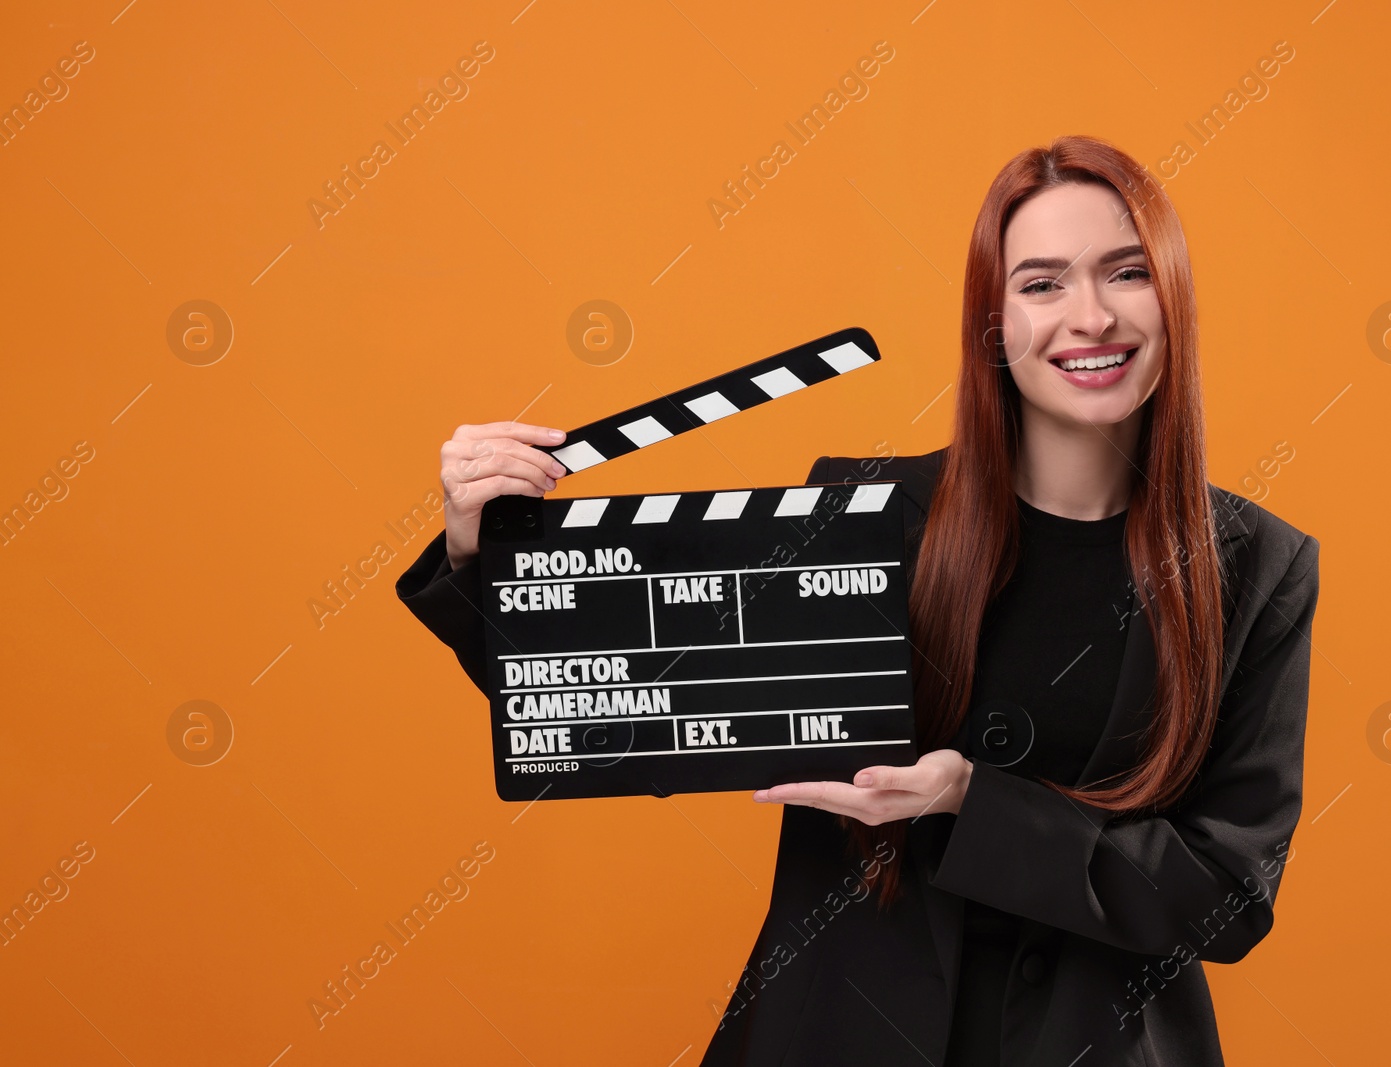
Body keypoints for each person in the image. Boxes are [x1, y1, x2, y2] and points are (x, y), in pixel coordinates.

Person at [395, 134, 1320, 1066]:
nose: (1089, 316)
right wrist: (483, 552)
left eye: (1125, 273)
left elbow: (1229, 893)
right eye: (1041, 283)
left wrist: (972, 801)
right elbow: (646, 705)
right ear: (994, 324)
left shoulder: (1254, 565)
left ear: (1174, 295)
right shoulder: (863, 517)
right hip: (837, 1028)